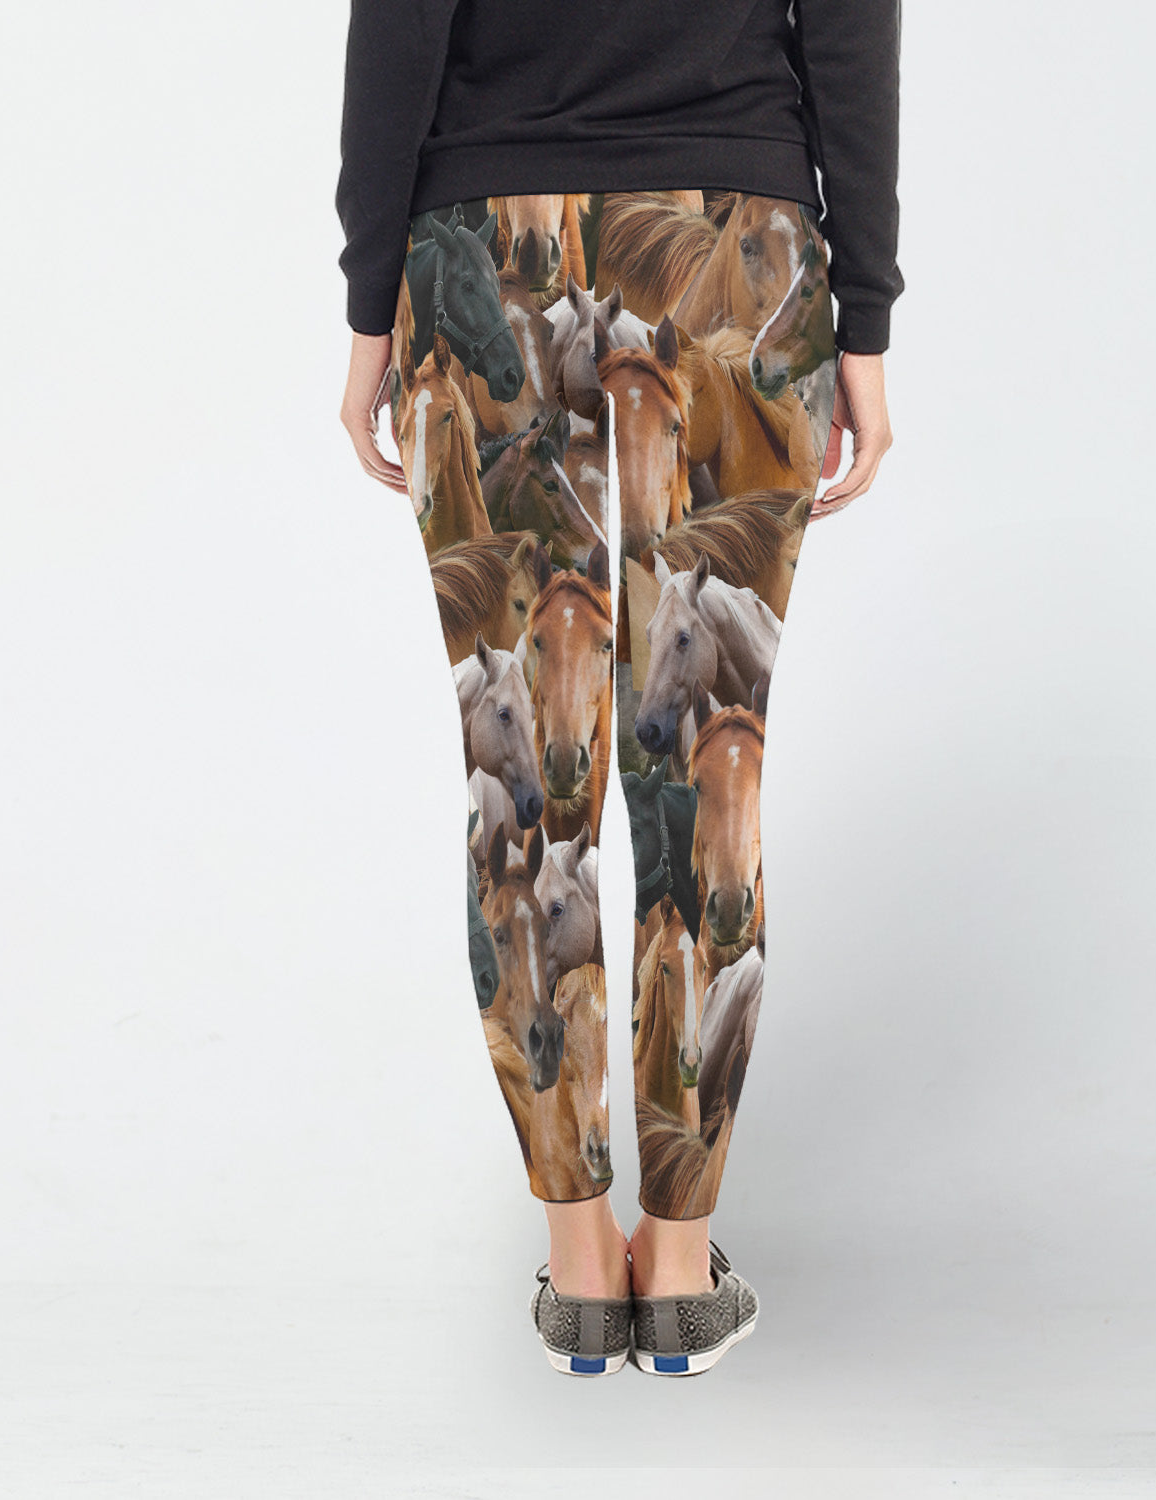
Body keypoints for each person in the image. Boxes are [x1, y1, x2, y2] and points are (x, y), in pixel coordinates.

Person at [335, 0, 902, 1377]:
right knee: (707, 763)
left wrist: (370, 310)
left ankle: (585, 1266)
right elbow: (848, 23)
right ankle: (685, 1271)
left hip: (486, 239)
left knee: (523, 788)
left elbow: (400, 22)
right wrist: (866, 320)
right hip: (741, 246)